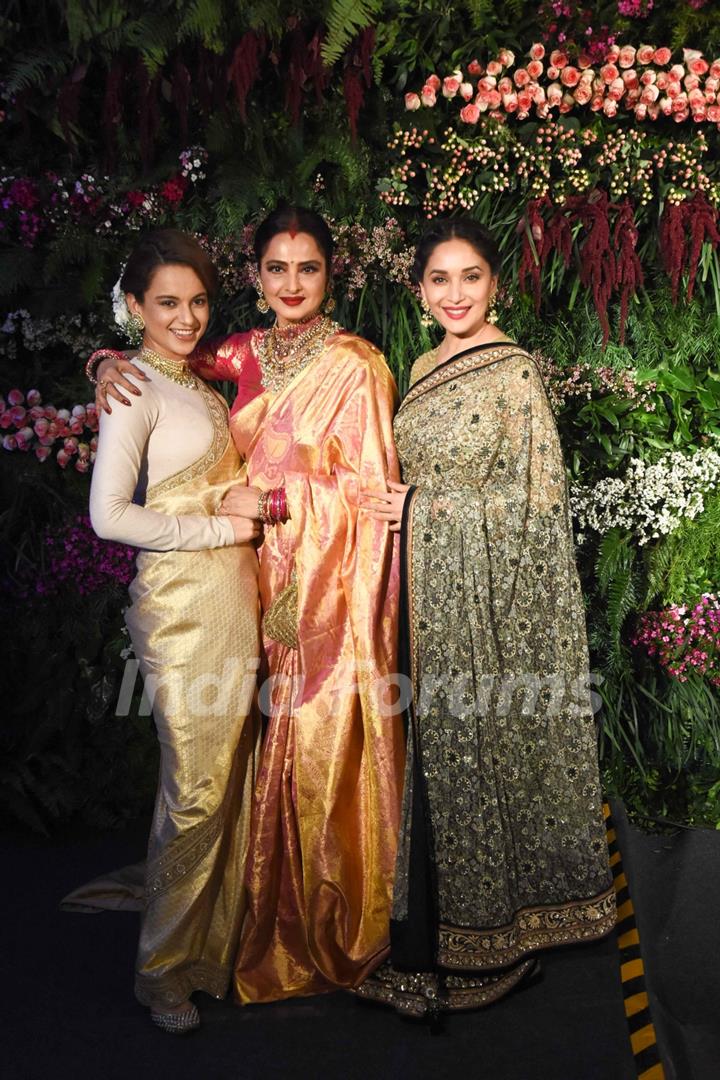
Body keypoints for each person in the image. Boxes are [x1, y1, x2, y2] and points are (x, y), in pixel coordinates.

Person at [90, 206, 406, 1004]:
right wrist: (104, 362)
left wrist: (265, 500)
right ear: (258, 278)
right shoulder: (213, 363)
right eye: (276, 268)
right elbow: (150, 394)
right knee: (205, 780)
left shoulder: (337, 365)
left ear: (331, 274)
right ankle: (179, 963)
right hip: (211, 591)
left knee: (253, 766)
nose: (292, 284)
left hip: (294, 593)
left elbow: (364, 492)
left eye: (308, 268)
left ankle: (251, 932)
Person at [359, 217, 615, 1017]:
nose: (456, 294)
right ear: (419, 289)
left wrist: (423, 508)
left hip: (481, 600)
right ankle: (436, 936)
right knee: (433, 764)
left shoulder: (514, 372)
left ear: (495, 284)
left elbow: (538, 507)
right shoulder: (422, 364)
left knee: (467, 756)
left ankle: (490, 942)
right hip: (425, 591)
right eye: (441, 279)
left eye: (471, 277)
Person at [65, 230, 261, 1033]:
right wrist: (223, 527)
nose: (185, 318)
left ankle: (212, 945)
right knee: (197, 788)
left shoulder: (203, 389)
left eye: (198, 301)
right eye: (167, 303)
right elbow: (108, 517)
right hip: (181, 607)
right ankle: (161, 972)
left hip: (236, 600)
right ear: (135, 306)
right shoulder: (134, 388)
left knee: (230, 772)